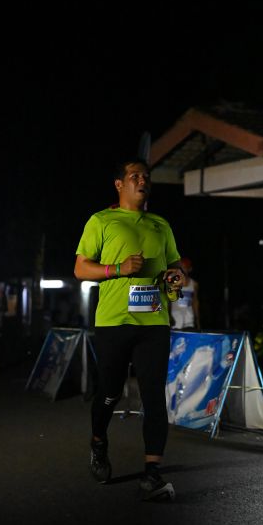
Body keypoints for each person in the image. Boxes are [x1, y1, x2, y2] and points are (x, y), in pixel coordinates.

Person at [74, 158, 184, 501]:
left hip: (154, 322)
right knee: (109, 392)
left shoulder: (160, 224)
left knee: (154, 398)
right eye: (135, 175)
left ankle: (152, 474)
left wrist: (176, 277)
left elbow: (175, 265)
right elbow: (81, 269)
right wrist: (117, 269)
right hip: (114, 322)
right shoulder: (101, 220)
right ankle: (98, 442)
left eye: (146, 176)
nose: (142, 180)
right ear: (119, 184)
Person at [169, 257, 200, 331]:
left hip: (189, 321)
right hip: (175, 322)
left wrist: (197, 321)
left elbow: (195, 302)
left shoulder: (194, 284)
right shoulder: (172, 283)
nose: (182, 270)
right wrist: (169, 318)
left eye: (185, 267)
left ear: (190, 269)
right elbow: (168, 301)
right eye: (181, 267)